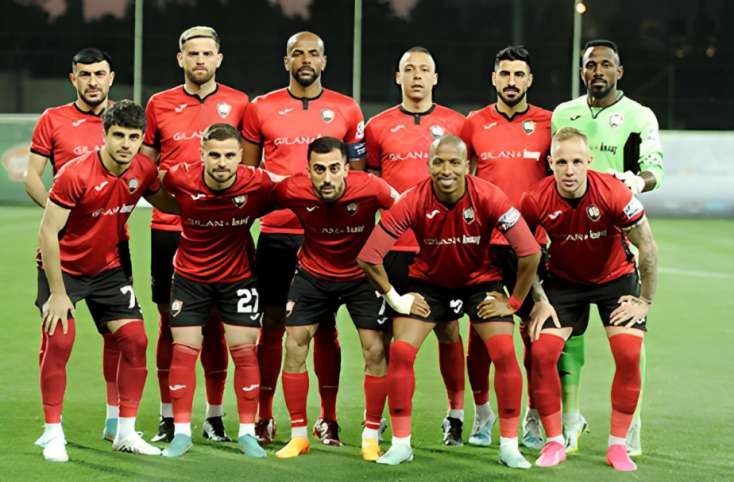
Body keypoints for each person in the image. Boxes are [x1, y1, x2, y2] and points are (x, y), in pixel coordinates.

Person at [358, 135, 551, 468]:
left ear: (467, 166)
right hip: (429, 285)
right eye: (438, 162)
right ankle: (401, 445)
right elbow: (369, 256)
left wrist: (514, 302)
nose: (446, 170)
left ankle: (509, 447)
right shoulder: (412, 199)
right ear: (428, 165)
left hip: (480, 283)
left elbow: (530, 251)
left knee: (504, 353)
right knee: (401, 352)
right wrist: (396, 299)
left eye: (454, 162)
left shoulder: (489, 195)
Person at [34, 100, 179, 462]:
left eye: (133, 137)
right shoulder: (75, 174)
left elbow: (169, 203)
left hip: (107, 269)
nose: (126, 144)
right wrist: (57, 293)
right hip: (64, 269)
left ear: (141, 139)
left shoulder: (144, 169)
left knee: (135, 340)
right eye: (119, 135)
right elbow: (48, 233)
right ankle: (52, 432)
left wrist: (211, 197)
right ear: (105, 135)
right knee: (60, 341)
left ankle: (125, 433)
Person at [242, 31, 366, 446]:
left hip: (328, 237)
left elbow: (357, 179)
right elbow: (252, 175)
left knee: (326, 328)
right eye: (297, 53)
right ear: (286, 61)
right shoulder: (261, 108)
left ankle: (328, 419)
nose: (306, 59)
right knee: (272, 325)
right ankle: (264, 416)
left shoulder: (347, 109)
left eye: (313, 53)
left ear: (324, 61)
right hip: (278, 235)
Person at [520, 126, 657, 472]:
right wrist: (539, 298)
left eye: (577, 162)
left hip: (615, 280)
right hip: (564, 284)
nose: (569, 170)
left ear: (589, 161)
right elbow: (522, 253)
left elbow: (647, 246)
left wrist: (645, 301)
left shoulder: (613, 192)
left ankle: (618, 445)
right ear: (550, 163)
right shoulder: (534, 199)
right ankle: (554, 442)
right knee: (541, 354)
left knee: (629, 354)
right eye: (561, 162)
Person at [551, 39, 664, 455]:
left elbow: (655, 168)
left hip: (619, 239)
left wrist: (637, 181)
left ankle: (631, 423)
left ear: (619, 71)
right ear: (582, 71)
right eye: (590, 65)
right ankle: (571, 418)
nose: (597, 71)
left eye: (605, 64)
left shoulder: (639, 115)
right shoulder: (564, 113)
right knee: (568, 333)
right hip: (570, 240)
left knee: (629, 336)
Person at [141, 26, 250, 443]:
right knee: (169, 323)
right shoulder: (159, 103)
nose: (200, 60)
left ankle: (214, 415)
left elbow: (248, 168)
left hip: (224, 232)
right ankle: (169, 415)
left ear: (219, 58)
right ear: (180, 58)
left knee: (219, 323)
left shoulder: (240, 103)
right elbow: (146, 168)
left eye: (207, 53)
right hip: (169, 229)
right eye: (193, 53)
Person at [364, 46, 468, 446]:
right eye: (410, 69)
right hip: (394, 251)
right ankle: (380, 418)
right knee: (384, 338)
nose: (417, 76)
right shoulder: (377, 126)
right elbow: (372, 181)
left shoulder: (456, 124)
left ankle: (455, 414)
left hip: (441, 248)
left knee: (448, 329)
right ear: (398, 77)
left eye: (425, 70)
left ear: (435, 78)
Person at [271, 137, 396, 461]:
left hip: (361, 276)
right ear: (308, 170)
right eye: (319, 170)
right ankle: (299, 437)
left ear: (346, 168)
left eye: (334, 169)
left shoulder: (371, 187)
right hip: (312, 275)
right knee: (294, 346)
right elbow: (257, 196)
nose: (327, 178)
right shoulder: (292, 189)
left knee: (376, 349)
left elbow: (405, 211)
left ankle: (371, 437)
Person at [159, 124, 279, 458]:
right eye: (214, 155)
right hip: (190, 278)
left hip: (238, 278)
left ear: (241, 156)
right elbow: (151, 186)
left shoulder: (258, 182)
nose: (221, 162)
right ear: (202, 154)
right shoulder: (180, 178)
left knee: (245, 351)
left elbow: (291, 188)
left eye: (229, 155)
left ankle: (246, 433)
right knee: (184, 351)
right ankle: (182, 433)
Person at [25, 48, 124, 442]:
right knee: (57, 333)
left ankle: (115, 419)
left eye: (99, 74)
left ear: (111, 77)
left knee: (119, 335)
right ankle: (53, 424)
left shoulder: (124, 119)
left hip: (114, 246)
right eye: (85, 74)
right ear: (73, 79)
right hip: (64, 248)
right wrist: (59, 213)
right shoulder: (53, 119)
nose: (93, 81)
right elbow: (32, 177)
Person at [460, 45, 552, 449]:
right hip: (484, 248)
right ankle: (483, 415)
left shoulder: (549, 122)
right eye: (505, 74)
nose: (511, 81)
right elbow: (460, 178)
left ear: (530, 80)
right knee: (480, 337)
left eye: (518, 74)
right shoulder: (473, 123)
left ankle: (533, 416)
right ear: (493, 78)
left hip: (533, 248)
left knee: (536, 337)